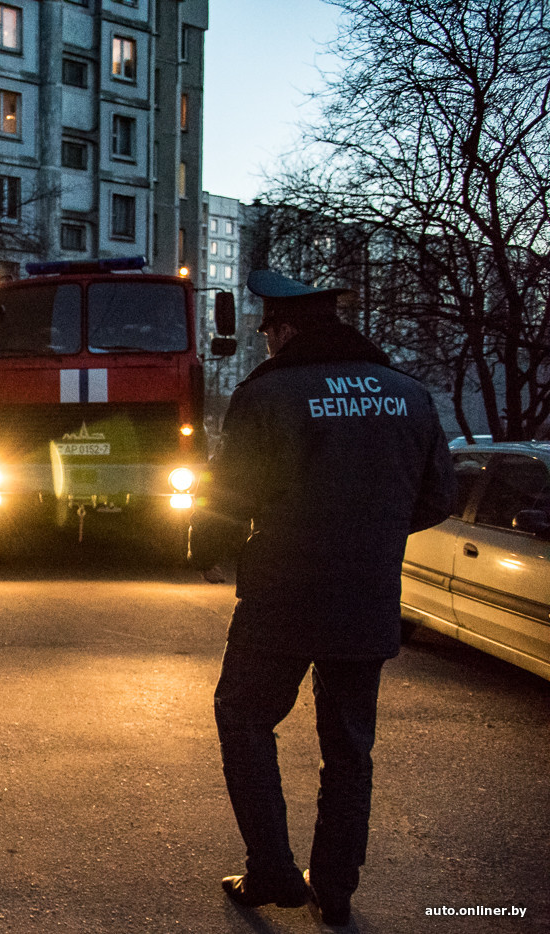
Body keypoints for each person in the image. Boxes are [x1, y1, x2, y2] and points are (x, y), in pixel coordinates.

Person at [190, 269, 455, 927]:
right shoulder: (410, 396)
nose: (266, 343)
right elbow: (439, 499)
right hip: (366, 601)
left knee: (245, 717)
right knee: (348, 747)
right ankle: (333, 890)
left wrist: (205, 552)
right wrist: (372, 535)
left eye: (267, 331)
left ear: (283, 328)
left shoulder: (269, 394)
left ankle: (273, 872)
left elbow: (229, 498)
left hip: (281, 595)